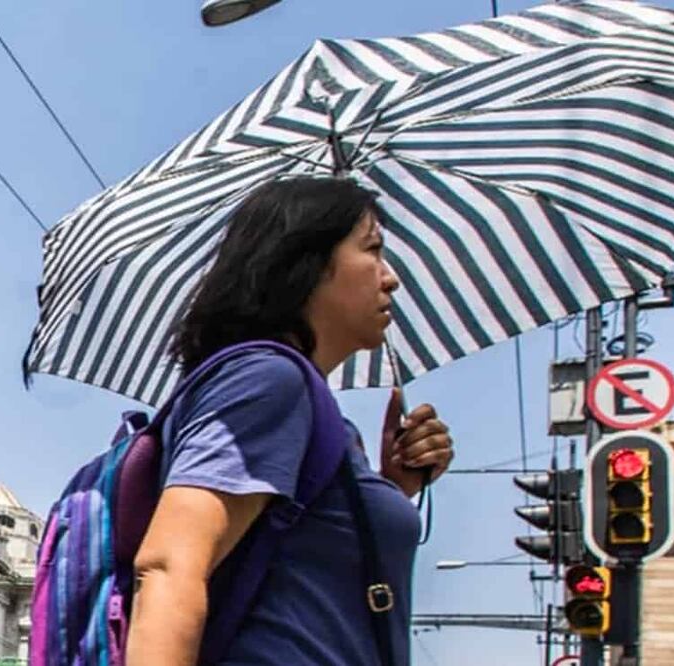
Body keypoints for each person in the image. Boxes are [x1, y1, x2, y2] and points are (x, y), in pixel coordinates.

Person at [126, 176, 456, 665]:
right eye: (372, 249)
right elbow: (169, 566)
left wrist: (386, 489)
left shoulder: (305, 405)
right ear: (308, 262)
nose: (391, 278)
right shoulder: (268, 380)